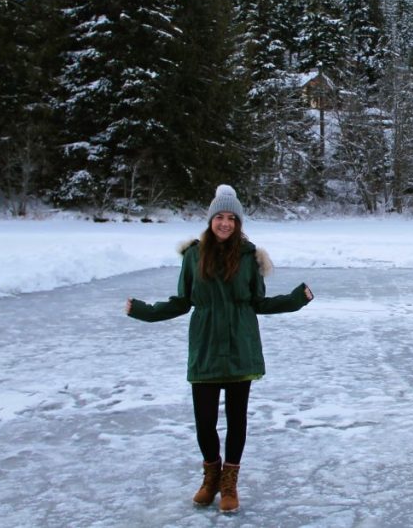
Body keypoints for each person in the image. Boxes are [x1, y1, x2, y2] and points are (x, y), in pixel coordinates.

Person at [125, 184, 314, 513]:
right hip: (206, 346)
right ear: (211, 220)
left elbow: (258, 302)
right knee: (205, 421)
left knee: (237, 420)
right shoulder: (193, 256)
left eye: (232, 218)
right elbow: (182, 301)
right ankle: (211, 476)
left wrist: (297, 299)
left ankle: (229, 483)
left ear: (238, 223)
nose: (225, 223)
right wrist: (143, 310)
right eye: (220, 217)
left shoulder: (249, 257)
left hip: (241, 346)